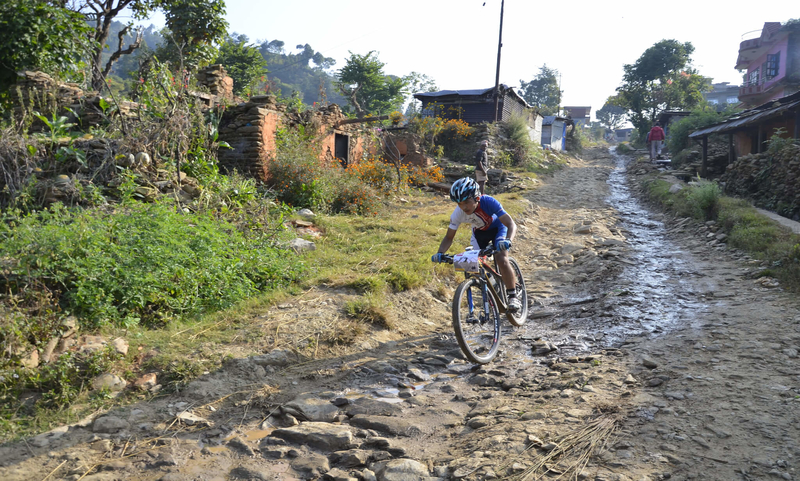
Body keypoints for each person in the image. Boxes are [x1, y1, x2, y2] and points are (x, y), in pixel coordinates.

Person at [431, 177, 521, 312]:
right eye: (459, 203)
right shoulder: (458, 214)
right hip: (480, 234)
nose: (463, 207)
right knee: (474, 264)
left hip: (498, 228)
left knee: (501, 258)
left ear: (477, 198)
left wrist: (508, 240)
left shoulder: (488, 202)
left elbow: (510, 224)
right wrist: (440, 253)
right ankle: (493, 284)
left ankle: (513, 296)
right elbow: (449, 237)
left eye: (467, 202)